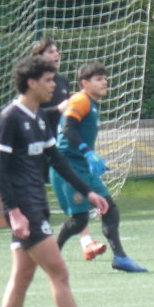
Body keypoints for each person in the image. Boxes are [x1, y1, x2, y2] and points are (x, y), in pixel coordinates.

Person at [0, 55, 123, 307]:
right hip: (25, 209)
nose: (55, 85)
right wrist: (14, 211)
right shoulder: (11, 118)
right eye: (49, 80)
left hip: (36, 204)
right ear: (31, 83)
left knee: (22, 278)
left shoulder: (39, 117)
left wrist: (89, 191)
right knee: (59, 272)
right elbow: (0, 170)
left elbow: (58, 161)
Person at [50, 61, 148, 273]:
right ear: (85, 83)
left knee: (107, 209)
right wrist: (86, 151)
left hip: (80, 166)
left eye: (105, 78)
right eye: (99, 79)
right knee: (81, 219)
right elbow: (68, 128)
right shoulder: (80, 100)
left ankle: (120, 257)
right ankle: (52, 254)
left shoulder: (91, 103)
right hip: (68, 166)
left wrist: (88, 157)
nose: (105, 82)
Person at [31, 38, 107, 262]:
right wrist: (57, 108)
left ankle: (86, 243)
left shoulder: (62, 81)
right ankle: (35, 240)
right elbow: (30, 114)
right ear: (38, 57)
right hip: (36, 147)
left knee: (77, 194)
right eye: (50, 51)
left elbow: (68, 116)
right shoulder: (32, 83)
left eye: (57, 51)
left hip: (58, 149)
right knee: (35, 197)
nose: (56, 54)